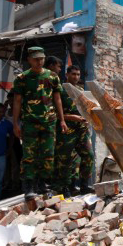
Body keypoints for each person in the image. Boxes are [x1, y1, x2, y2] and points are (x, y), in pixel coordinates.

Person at [12, 47, 67, 201]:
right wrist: (15, 123)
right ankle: (29, 187)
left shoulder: (52, 77)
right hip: (30, 122)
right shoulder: (22, 78)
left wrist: (62, 120)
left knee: (48, 154)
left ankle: (42, 184)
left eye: (41, 59)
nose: (39, 62)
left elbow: (57, 99)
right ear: (29, 60)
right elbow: (17, 101)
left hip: (49, 122)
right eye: (35, 59)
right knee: (29, 155)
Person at [54, 65, 95, 196]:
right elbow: (53, 113)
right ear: (67, 75)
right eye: (73, 74)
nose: (76, 77)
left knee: (88, 156)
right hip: (67, 129)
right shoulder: (59, 89)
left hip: (81, 128)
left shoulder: (80, 90)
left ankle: (84, 185)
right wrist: (70, 117)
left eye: (78, 74)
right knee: (65, 160)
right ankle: (65, 188)